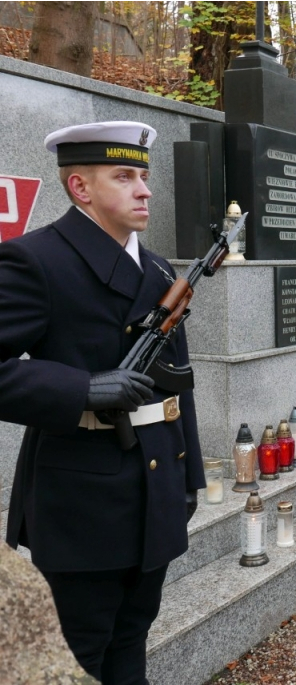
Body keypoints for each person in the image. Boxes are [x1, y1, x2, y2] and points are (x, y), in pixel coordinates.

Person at [0, 121, 204, 683]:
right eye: (124, 176)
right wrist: (80, 388)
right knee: (80, 652)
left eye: (143, 175)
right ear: (80, 188)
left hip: (157, 481)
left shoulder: (160, 269)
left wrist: (191, 480)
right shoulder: (35, 261)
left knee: (132, 636)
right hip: (82, 497)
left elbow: (176, 379)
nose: (145, 190)